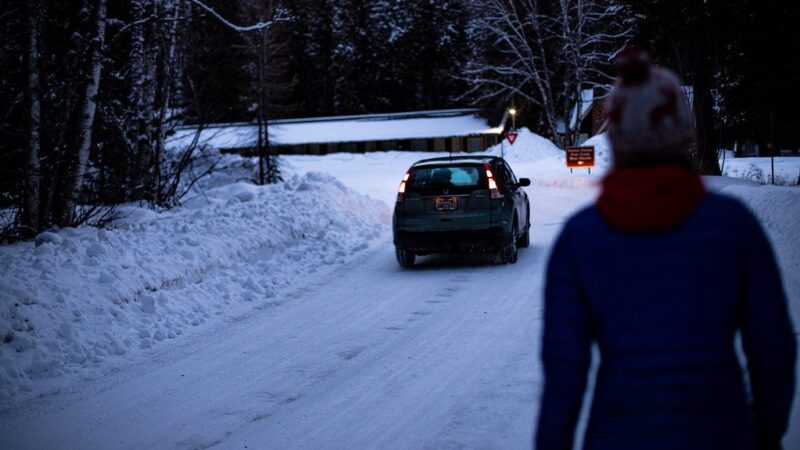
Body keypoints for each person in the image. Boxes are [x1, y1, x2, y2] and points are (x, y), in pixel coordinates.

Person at [535, 47, 796, 450]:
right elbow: (772, 348)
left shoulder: (580, 237)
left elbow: (564, 371)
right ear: (685, 133)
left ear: (616, 137)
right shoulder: (732, 226)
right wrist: (766, 434)